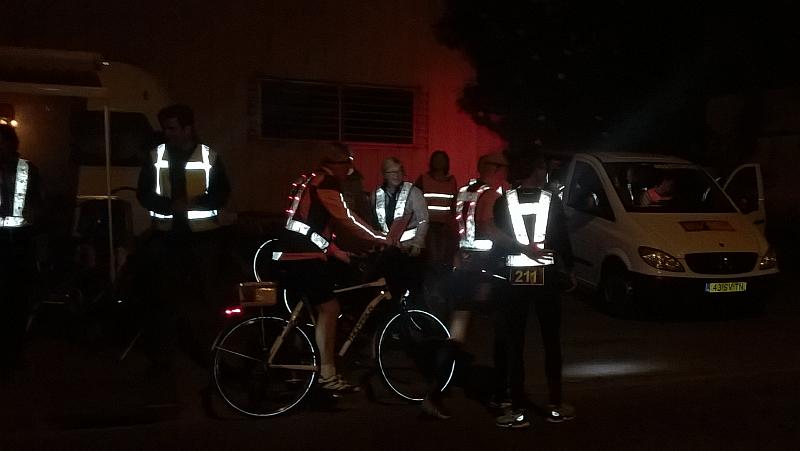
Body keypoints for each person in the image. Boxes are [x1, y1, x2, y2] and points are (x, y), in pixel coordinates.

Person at [275, 142, 394, 393]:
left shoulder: (309, 180)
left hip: (291, 252)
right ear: (334, 164)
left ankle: (297, 367)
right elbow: (346, 218)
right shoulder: (328, 184)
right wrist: (381, 237)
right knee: (330, 308)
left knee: (309, 311)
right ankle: (327, 373)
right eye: (347, 163)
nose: (350, 169)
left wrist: (336, 252)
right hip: (303, 257)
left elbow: (307, 225)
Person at [135, 104, 231, 386]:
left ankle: (212, 357)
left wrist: (191, 204)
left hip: (203, 242)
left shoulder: (209, 156)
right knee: (164, 301)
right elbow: (144, 193)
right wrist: (167, 206)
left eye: (172, 127)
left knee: (207, 302)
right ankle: (162, 360)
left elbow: (221, 193)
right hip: (167, 238)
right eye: (165, 128)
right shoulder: (156, 157)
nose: (167, 133)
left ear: (188, 128)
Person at [490, 153, 576, 428]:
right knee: (551, 341)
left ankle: (516, 409)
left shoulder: (504, 201)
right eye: (543, 167)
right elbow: (562, 239)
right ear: (537, 172)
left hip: (515, 276)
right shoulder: (552, 202)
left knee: (515, 343)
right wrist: (570, 269)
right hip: (546, 277)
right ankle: (555, 404)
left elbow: (499, 241)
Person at [421, 151, 509, 419]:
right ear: (493, 169)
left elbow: (452, 226)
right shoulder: (492, 196)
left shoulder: (463, 192)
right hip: (484, 272)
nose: (505, 173)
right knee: (503, 332)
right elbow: (489, 228)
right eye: (503, 168)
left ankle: (434, 393)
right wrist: (518, 244)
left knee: (456, 333)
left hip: (461, 268)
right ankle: (500, 397)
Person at [0, 124, 43, 377]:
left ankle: (13, 358)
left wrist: (35, 214)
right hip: (7, 245)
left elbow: (38, 203)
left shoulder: (28, 169)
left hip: (20, 245)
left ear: (11, 144)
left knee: (16, 303)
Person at [369, 157, 429, 308]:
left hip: (409, 251)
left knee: (413, 290)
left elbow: (423, 219)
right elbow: (375, 223)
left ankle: (416, 321)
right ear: (384, 174)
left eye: (399, 171)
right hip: (388, 251)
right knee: (390, 291)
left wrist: (418, 243)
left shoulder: (413, 192)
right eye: (392, 172)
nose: (396, 175)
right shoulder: (376, 195)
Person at [414, 150, 458, 318]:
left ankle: (442, 300)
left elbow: (453, 205)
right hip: (429, 227)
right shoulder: (423, 179)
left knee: (444, 263)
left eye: (442, 160)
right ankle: (432, 300)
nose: (439, 163)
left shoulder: (451, 180)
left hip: (445, 229)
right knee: (432, 263)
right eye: (436, 159)